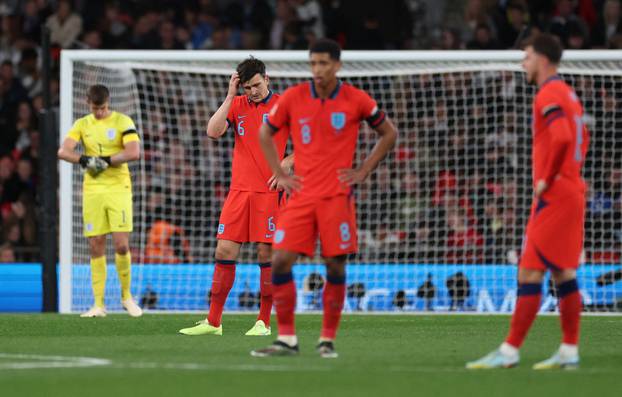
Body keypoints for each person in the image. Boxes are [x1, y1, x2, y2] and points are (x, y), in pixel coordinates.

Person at [251, 38, 397, 358]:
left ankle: (327, 340)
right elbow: (265, 132)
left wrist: (363, 171)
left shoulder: (356, 100)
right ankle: (287, 339)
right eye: (313, 63)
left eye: (324, 64)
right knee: (279, 260)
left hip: (336, 197)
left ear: (337, 65)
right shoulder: (294, 97)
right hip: (301, 196)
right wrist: (281, 170)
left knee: (335, 266)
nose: (318, 70)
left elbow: (389, 132)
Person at [467, 34, 589, 370]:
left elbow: (563, 136)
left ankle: (510, 350)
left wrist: (547, 178)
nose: (523, 62)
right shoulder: (568, 94)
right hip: (572, 189)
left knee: (531, 271)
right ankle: (568, 350)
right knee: (563, 272)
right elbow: (581, 138)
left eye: (528, 56)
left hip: (556, 193)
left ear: (543, 59)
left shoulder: (549, 92)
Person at [178, 57, 290, 337]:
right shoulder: (237, 104)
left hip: (269, 192)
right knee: (224, 252)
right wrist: (230, 95)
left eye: (257, 85)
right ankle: (213, 322)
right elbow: (213, 131)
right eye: (247, 86)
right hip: (239, 192)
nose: (253, 91)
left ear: (267, 79)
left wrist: (289, 162)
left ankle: (263, 322)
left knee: (266, 255)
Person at [57, 84, 142, 318]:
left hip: (119, 188)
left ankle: (126, 297)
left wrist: (105, 160)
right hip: (93, 190)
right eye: (96, 109)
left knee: (122, 245)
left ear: (108, 103)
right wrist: (85, 160)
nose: (100, 113)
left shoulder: (123, 121)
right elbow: (63, 151)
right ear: (88, 103)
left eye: (103, 108)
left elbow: (134, 152)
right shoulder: (82, 124)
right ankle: (98, 304)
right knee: (95, 244)